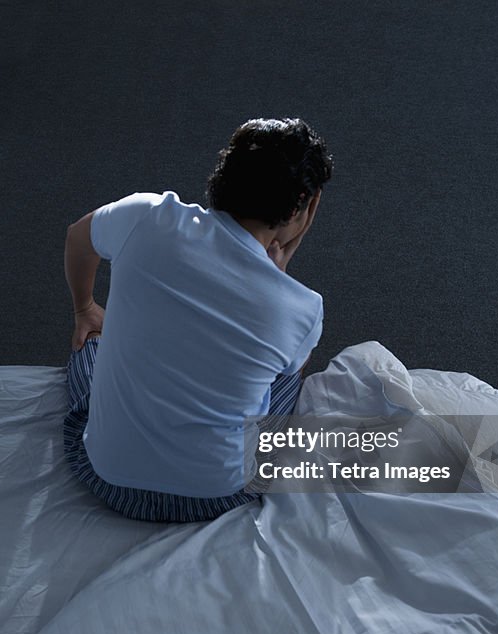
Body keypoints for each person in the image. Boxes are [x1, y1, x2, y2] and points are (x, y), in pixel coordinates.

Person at [63, 117, 333, 522]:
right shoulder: (303, 308)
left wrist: (85, 308)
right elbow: (279, 372)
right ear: (302, 207)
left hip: (107, 480)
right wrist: (274, 277)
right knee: (288, 376)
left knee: (92, 345)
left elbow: (77, 238)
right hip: (218, 495)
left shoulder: (145, 216)